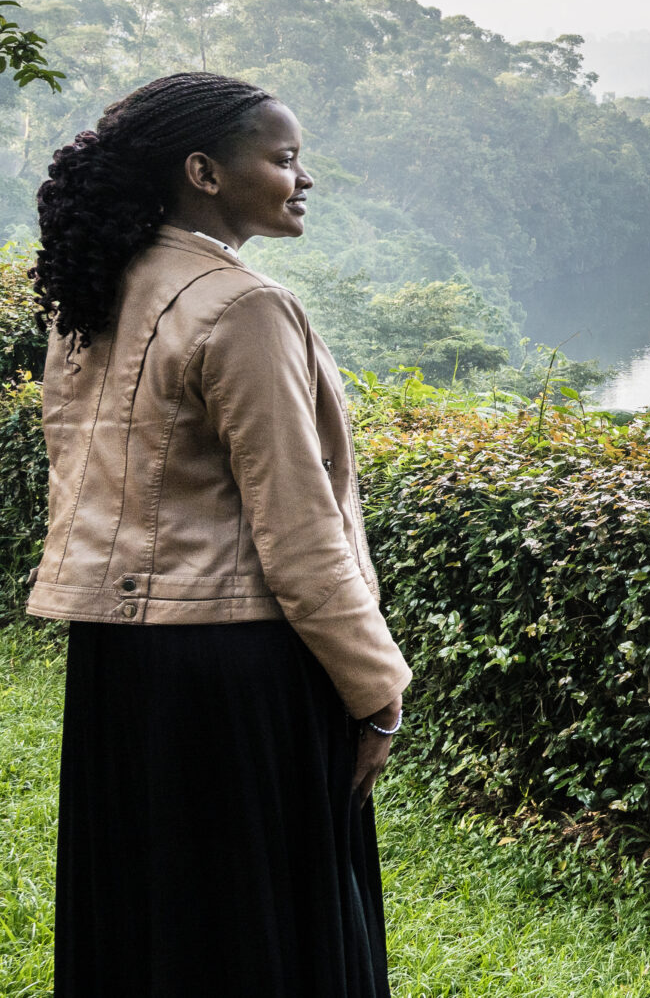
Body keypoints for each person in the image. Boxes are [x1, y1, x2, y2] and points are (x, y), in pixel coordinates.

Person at [25, 71, 409, 998]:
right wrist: (377, 687)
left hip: (120, 664)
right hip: (238, 669)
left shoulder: (94, 291)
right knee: (258, 929)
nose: (303, 178)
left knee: (149, 916)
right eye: (282, 158)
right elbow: (300, 526)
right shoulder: (244, 307)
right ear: (202, 170)